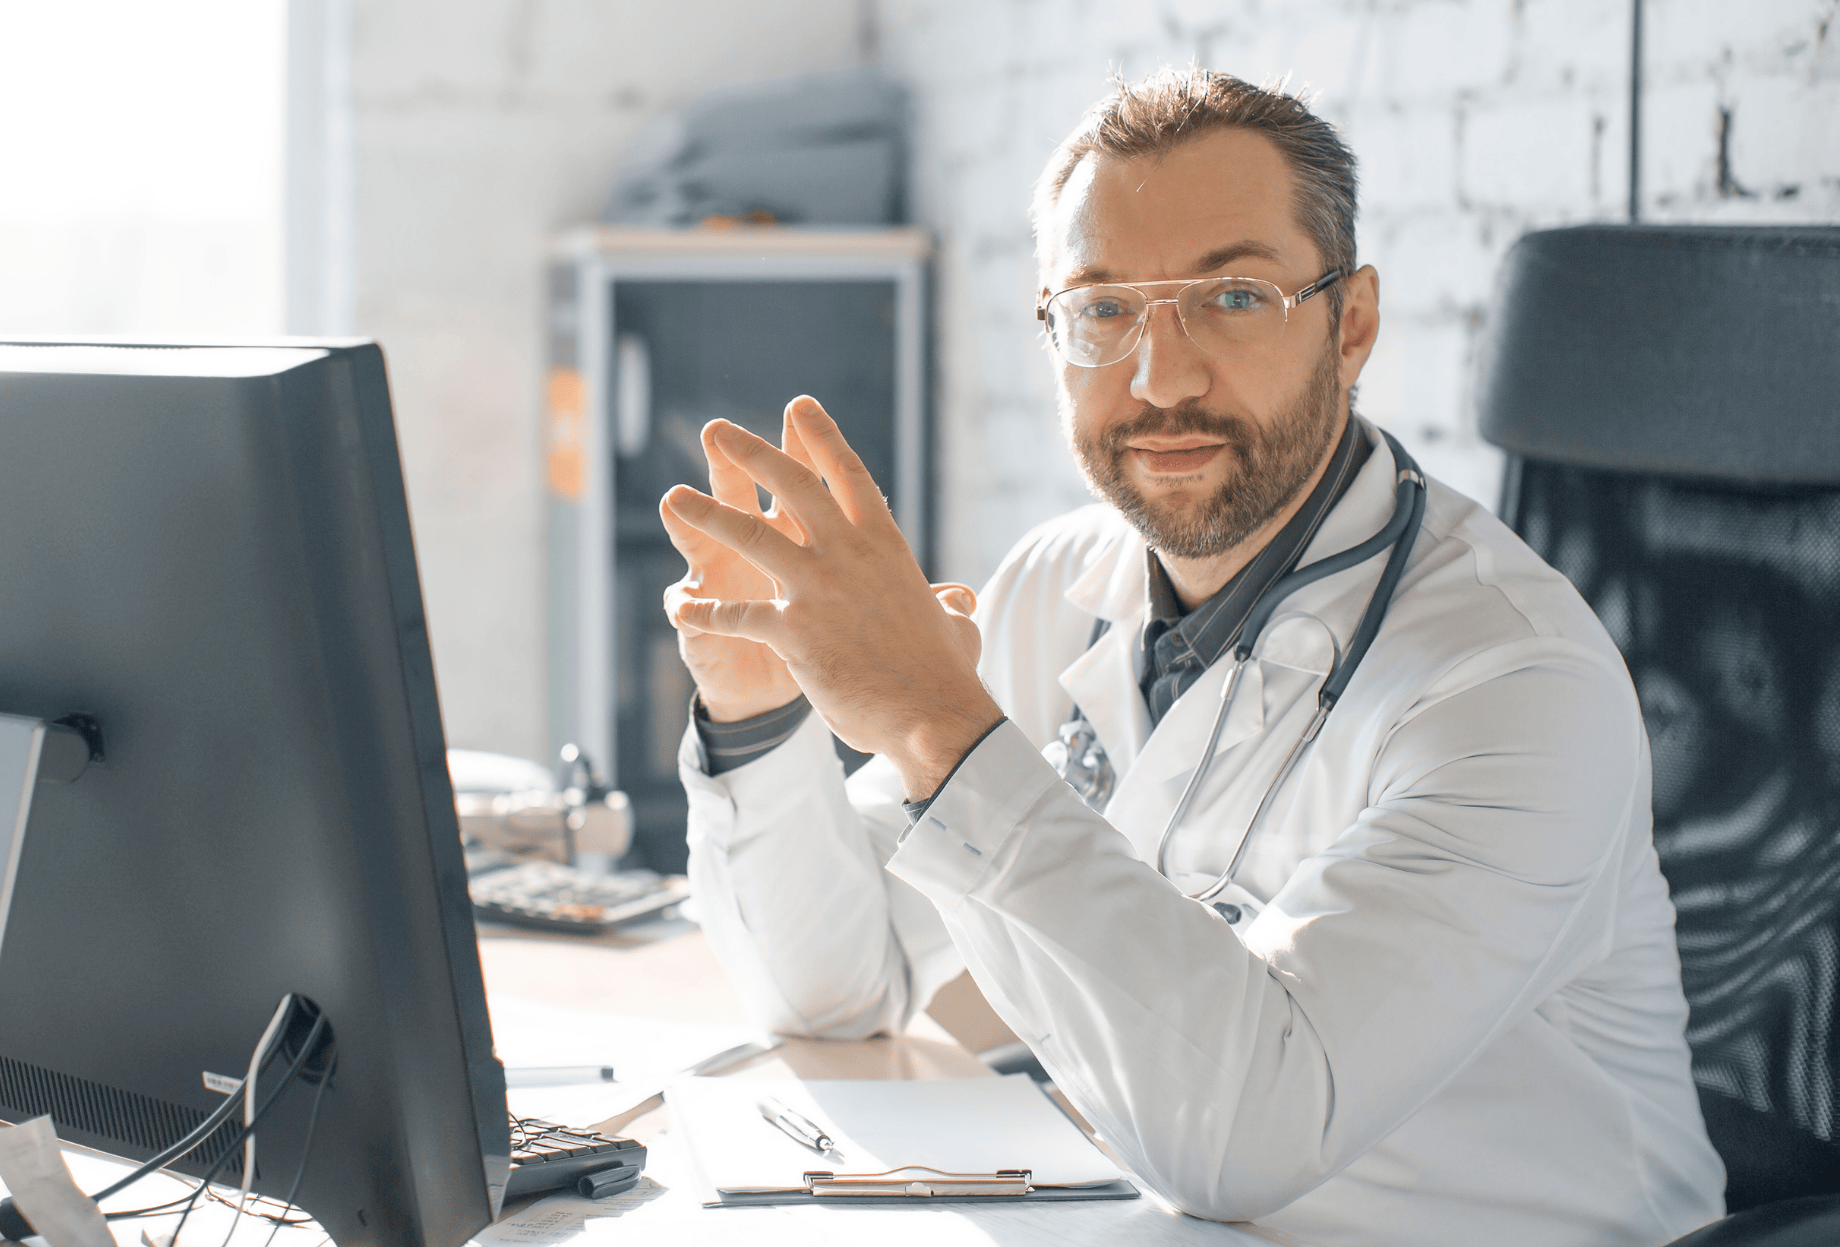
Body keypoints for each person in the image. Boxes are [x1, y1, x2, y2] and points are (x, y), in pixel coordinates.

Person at [657, 67, 1725, 1246]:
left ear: (1350, 321)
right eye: (1104, 308)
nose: (1160, 378)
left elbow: (1249, 1138)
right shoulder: (1055, 587)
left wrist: (936, 726)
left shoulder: (1515, 684)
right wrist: (757, 720)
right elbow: (837, 986)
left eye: (1232, 295)